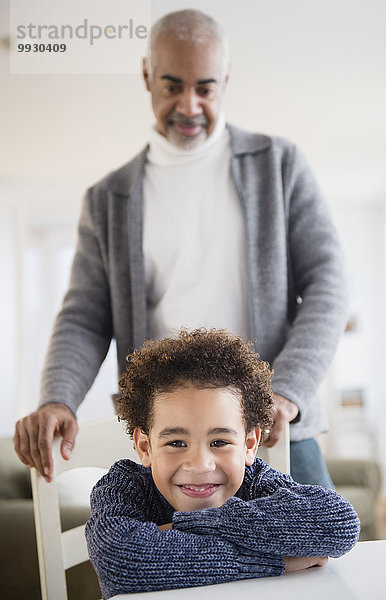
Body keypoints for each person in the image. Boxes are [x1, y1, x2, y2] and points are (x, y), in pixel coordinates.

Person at [14, 9, 348, 487]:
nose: (189, 106)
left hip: (274, 434)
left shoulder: (279, 165)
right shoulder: (108, 199)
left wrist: (288, 391)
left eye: (205, 88)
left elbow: (329, 285)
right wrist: (57, 398)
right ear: (147, 75)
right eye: (172, 86)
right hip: (169, 447)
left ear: (225, 80)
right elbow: (84, 316)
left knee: (321, 555)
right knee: (171, 563)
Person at [85, 329, 360, 599]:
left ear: (250, 445)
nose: (200, 465)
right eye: (176, 443)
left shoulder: (255, 480)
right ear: (145, 447)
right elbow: (120, 562)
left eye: (219, 442)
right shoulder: (123, 485)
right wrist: (273, 563)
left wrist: (185, 528)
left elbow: (339, 524)